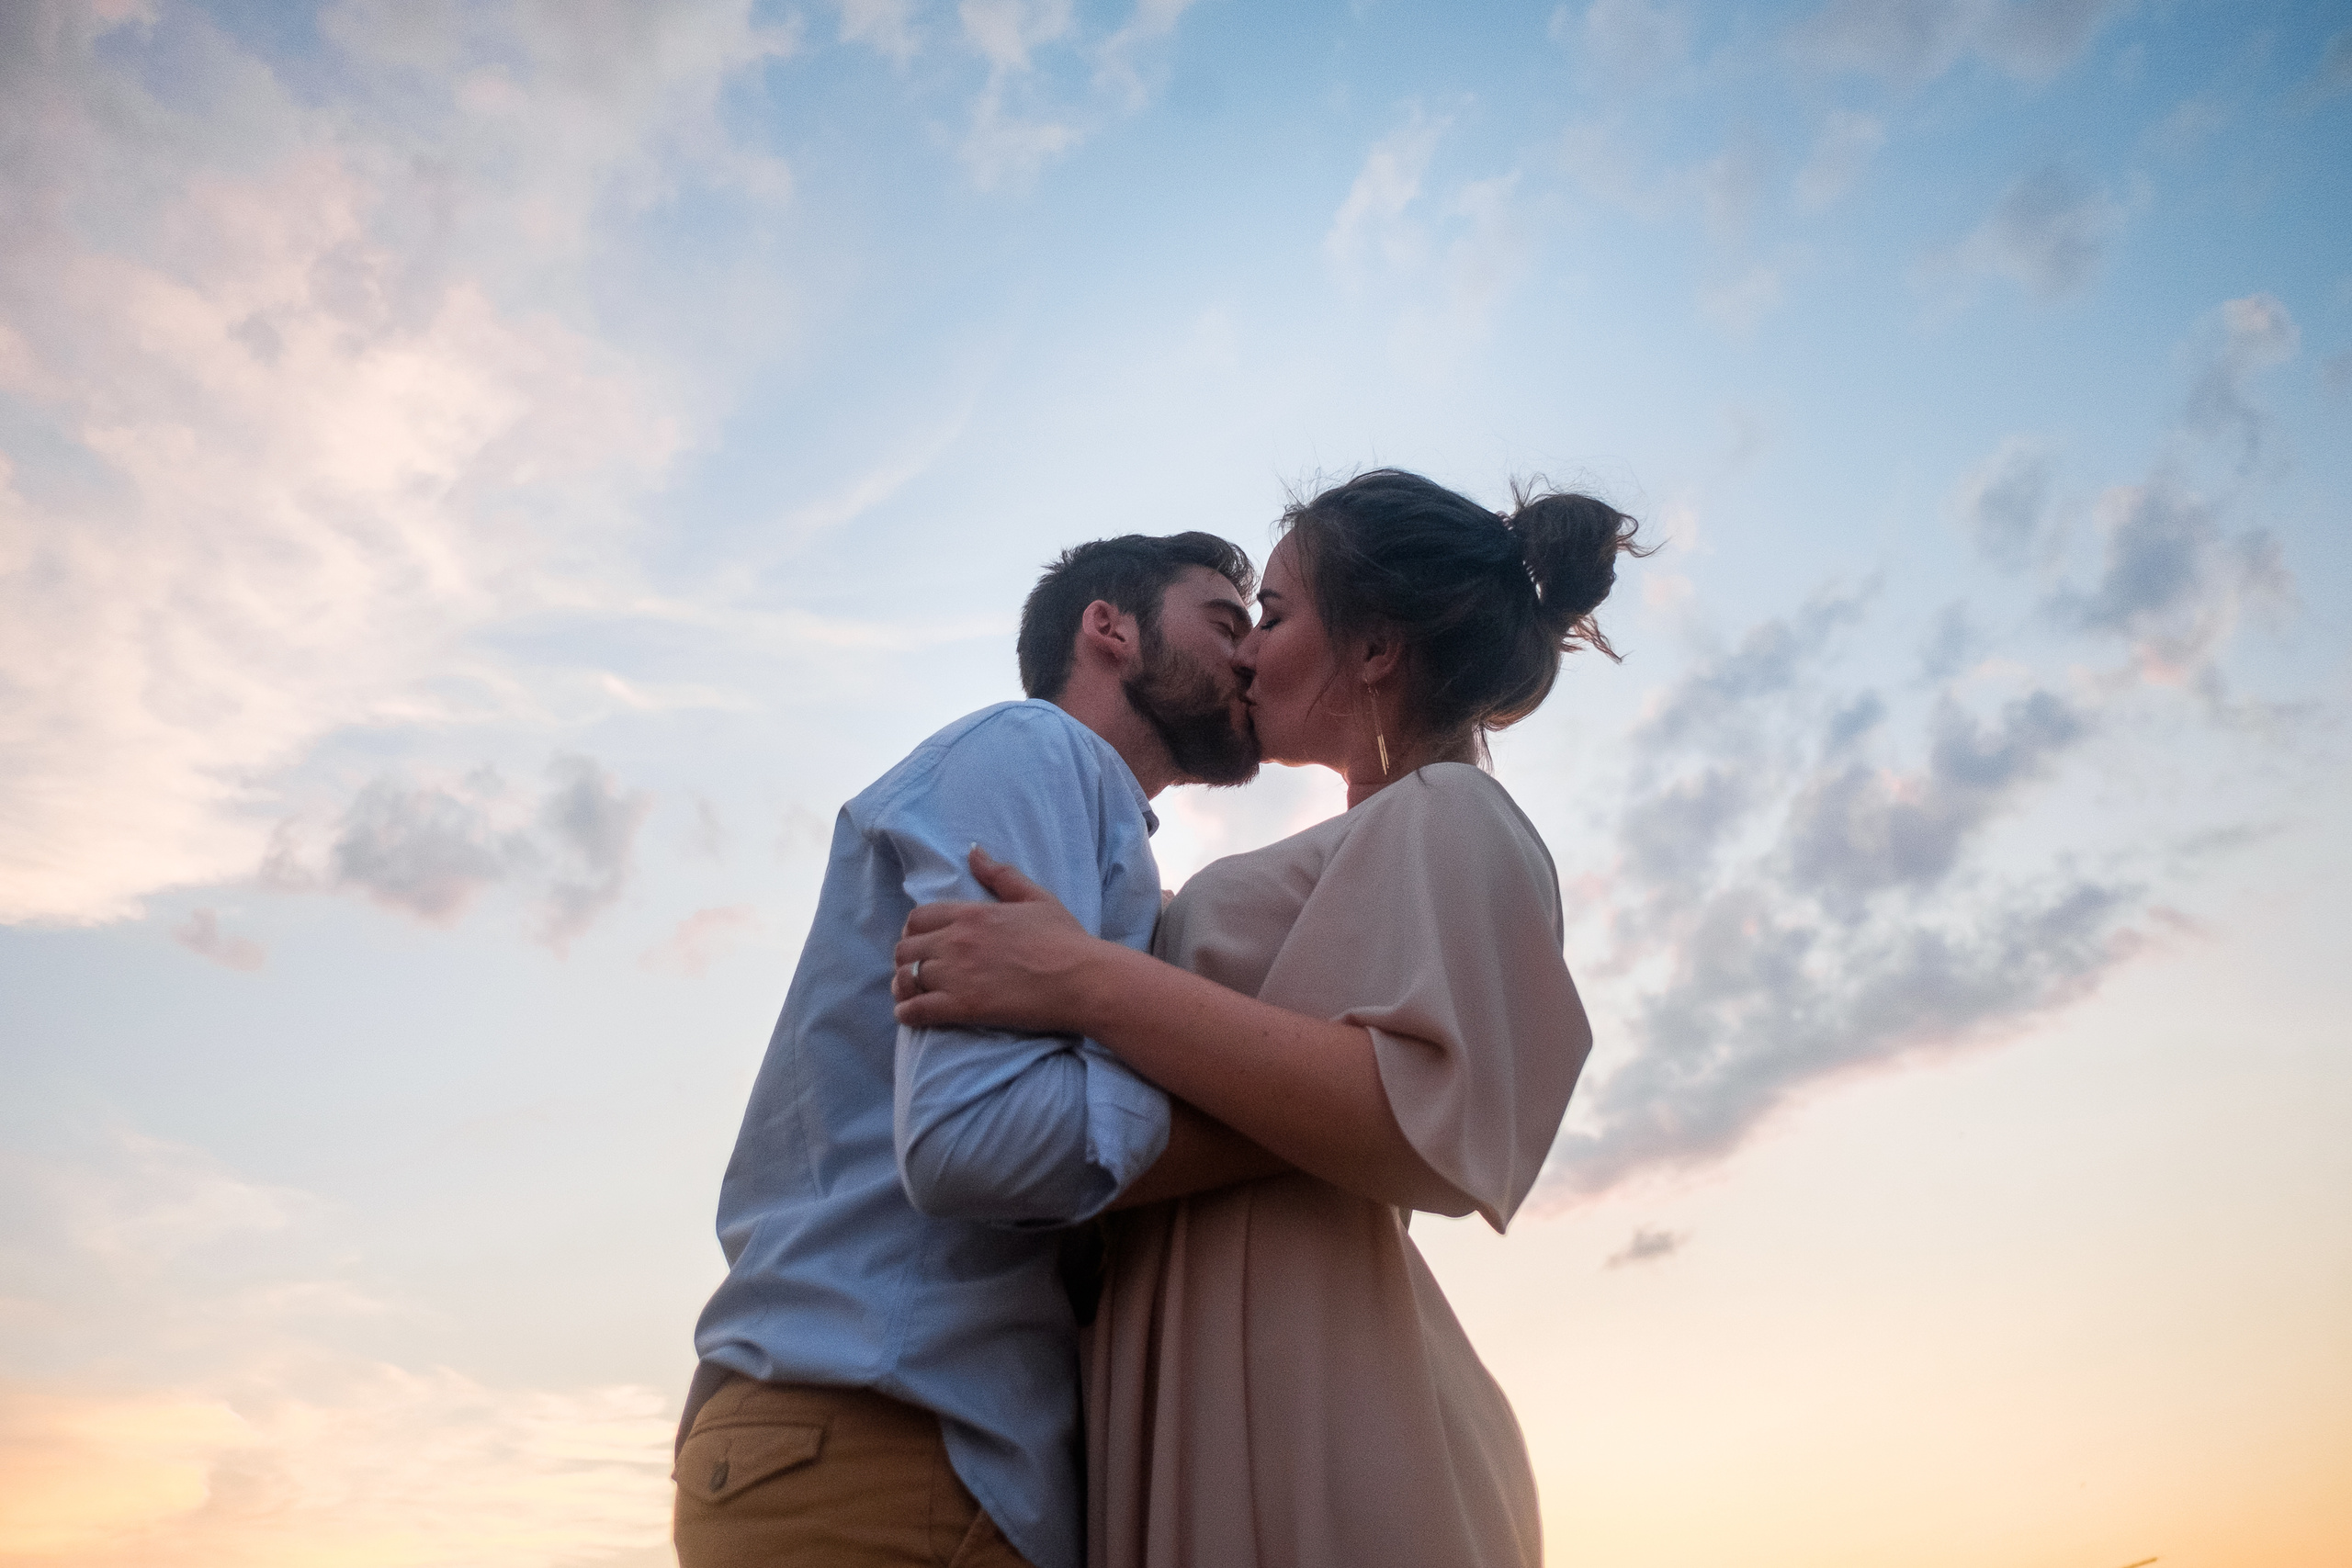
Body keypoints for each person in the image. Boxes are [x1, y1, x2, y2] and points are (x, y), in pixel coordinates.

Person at [890, 468, 1645, 1568]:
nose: (1244, 653)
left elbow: (1428, 1121)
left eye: (1275, 617)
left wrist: (1084, 980)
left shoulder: (1453, 811)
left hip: (1321, 1402)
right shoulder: (1345, 846)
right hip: (1206, 1376)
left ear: (1375, 648)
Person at [677, 531, 1285, 1568]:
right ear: (1109, 629)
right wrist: (1299, 1118)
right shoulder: (1033, 750)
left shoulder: (1085, 821)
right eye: (1226, 623)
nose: (1250, 656)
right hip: (889, 1449)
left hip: (874, 1440)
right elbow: (975, 1138)